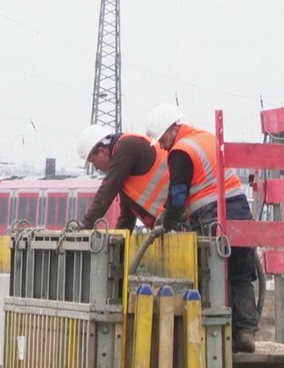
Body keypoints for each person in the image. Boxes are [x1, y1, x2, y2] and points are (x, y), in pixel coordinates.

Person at [145, 103, 259, 353]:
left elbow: (177, 195)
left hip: (212, 217)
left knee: (213, 275)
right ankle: (246, 332)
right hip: (241, 211)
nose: (162, 145)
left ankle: (221, 335)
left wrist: (166, 219)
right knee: (241, 275)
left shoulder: (180, 151)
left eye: (162, 139)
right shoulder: (208, 138)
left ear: (173, 129)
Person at [75, 124, 171, 231]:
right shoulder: (123, 164)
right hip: (170, 221)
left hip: (179, 214)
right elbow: (128, 213)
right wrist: (119, 241)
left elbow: (108, 189)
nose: (96, 168)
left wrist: (86, 224)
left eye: (93, 162)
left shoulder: (126, 147)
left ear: (101, 151)